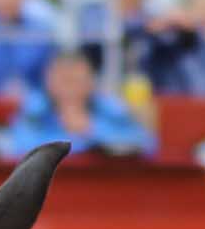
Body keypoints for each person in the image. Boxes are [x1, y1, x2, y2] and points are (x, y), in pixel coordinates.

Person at [10, 45, 157, 157]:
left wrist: (90, 131)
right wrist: (72, 139)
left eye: (76, 81)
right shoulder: (34, 112)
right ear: (48, 82)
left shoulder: (111, 109)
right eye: (64, 81)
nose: (70, 89)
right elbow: (18, 145)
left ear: (91, 83)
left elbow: (145, 143)